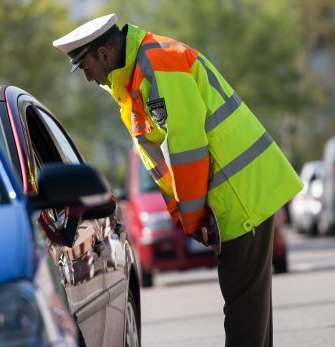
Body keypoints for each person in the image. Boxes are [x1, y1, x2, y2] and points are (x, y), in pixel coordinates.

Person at [53, 14, 302, 347]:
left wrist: (191, 214)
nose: (87, 78)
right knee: (251, 313)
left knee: (244, 315)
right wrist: (185, 216)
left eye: (84, 67)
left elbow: (188, 150)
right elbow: (165, 165)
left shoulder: (157, 64)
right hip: (239, 194)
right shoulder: (139, 75)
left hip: (241, 197)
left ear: (103, 53)